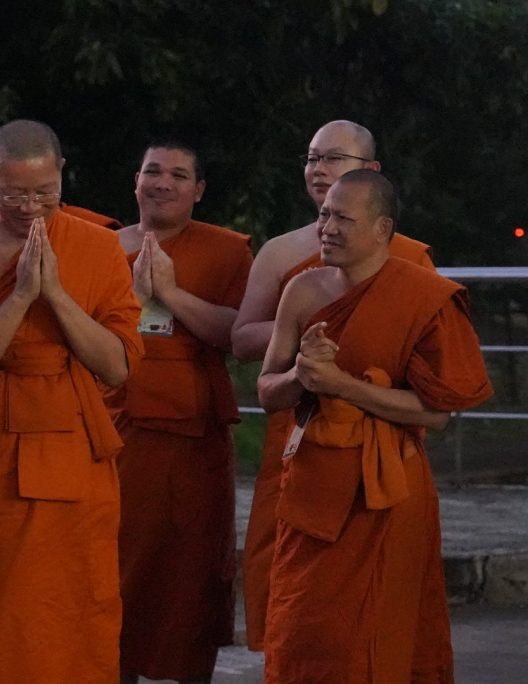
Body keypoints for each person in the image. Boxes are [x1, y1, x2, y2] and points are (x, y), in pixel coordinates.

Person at [0, 119, 144, 683]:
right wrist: (21, 296)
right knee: (1, 612)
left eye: (44, 193)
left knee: (80, 604)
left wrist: (56, 295)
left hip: (77, 448)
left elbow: (118, 366)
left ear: (61, 175)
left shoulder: (98, 247)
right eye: (14, 194)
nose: (30, 207)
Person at [258, 170, 492, 682]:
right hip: (316, 486)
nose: (327, 228)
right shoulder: (302, 290)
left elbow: (436, 414)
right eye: (324, 215)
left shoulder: (422, 297)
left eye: (343, 218)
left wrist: (341, 385)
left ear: (383, 228)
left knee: (385, 631)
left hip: (389, 490)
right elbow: (267, 391)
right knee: (304, 628)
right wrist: (301, 374)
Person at [232, 120, 434, 651]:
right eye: (312, 158)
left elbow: (433, 389)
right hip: (301, 436)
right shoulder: (284, 256)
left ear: (371, 171)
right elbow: (244, 338)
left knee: (374, 606)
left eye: (334, 158)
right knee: (290, 596)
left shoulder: (411, 262)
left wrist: (345, 350)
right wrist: (307, 335)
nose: (319, 169)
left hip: (380, 446)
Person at [107, 141, 252, 684]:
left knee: (191, 576)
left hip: (193, 439)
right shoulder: (101, 249)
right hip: (115, 430)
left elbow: (238, 336)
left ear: (199, 190)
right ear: (135, 181)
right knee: (114, 571)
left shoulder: (227, 252)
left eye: (178, 174)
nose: (163, 182)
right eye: (152, 171)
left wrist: (169, 293)